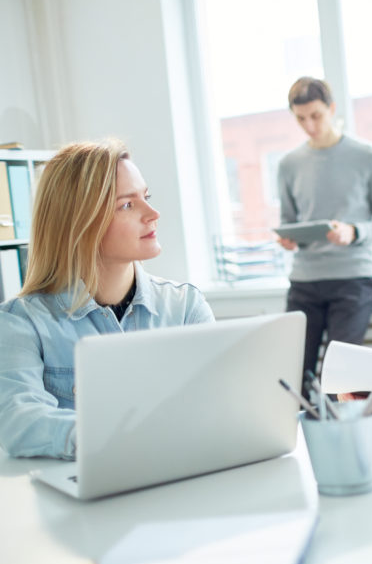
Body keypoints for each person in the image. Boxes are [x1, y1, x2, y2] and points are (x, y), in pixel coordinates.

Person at [0, 140, 214, 460]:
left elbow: (218, 405)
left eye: (146, 197)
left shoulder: (185, 306)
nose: (153, 214)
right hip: (81, 500)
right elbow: (21, 423)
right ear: (79, 224)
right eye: (127, 205)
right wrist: (130, 439)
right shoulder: (21, 322)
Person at [276, 77, 372, 388]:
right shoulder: (288, 164)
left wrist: (353, 232)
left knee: (339, 379)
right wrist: (288, 240)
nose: (309, 125)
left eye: (315, 115)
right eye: (301, 119)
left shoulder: (367, 156)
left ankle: (340, 435)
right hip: (304, 282)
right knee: (293, 379)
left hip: (353, 281)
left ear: (331, 109)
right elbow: (289, 221)